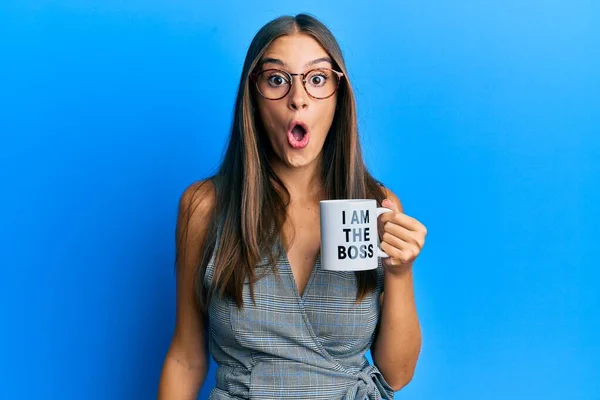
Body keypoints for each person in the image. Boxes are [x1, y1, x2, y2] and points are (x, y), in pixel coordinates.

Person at [158, 13, 427, 400]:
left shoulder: (375, 207)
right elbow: (185, 357)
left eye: (317, 79)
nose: (297, 98)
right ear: (253, 95)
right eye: (277, 80)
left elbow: (397, 374)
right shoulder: (205, 207)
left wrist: (400, 272)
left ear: (339, 95)